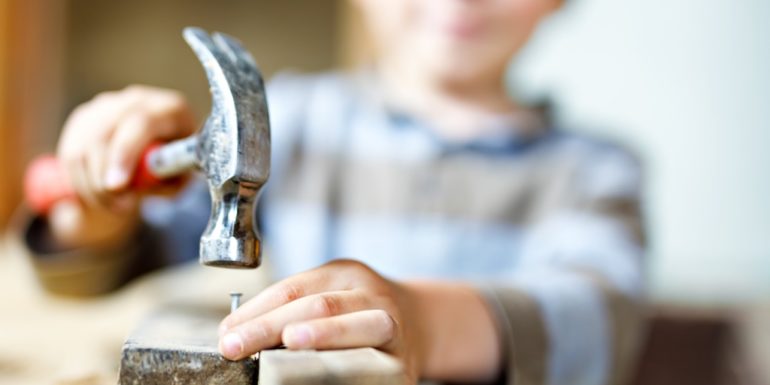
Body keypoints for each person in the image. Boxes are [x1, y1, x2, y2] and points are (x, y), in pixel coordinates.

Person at [20, 1, 646, 384]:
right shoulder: (294, 118)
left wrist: (421, 323)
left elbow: (592, 323)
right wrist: (95, 203)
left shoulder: (593, 170)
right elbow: (132, 253)